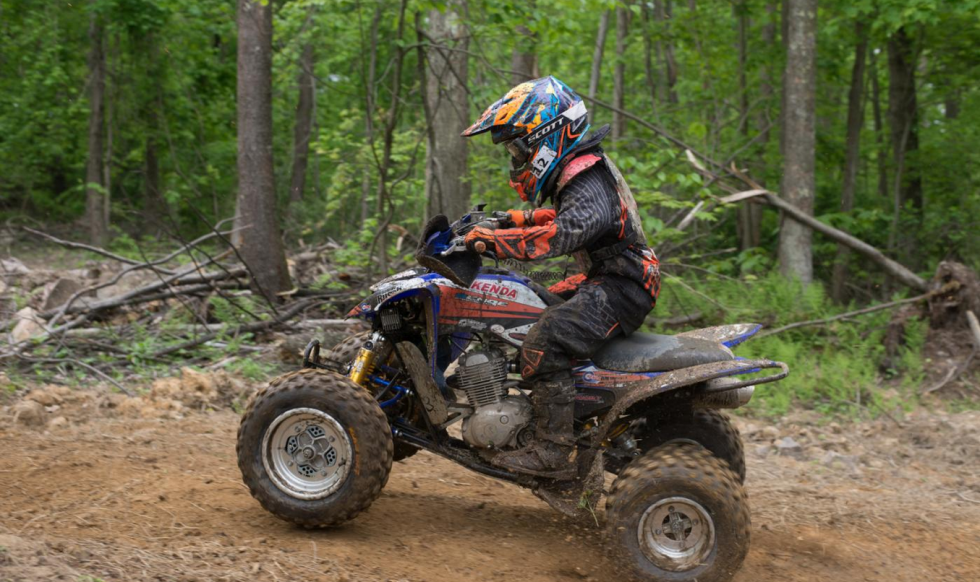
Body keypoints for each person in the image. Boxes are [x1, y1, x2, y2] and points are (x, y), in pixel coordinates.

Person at [459, 76, 661, 478]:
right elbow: (568, 216)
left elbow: (568, 232)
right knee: (527, 303)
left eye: (520, 147)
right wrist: (510, 220)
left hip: (622, 286)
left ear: (547, 136)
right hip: (611, 279)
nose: (517, 158)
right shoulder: (579, 172)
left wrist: (495, 243)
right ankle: (567, 414)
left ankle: (551, 449)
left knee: (545, 337)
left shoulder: (585, 172)